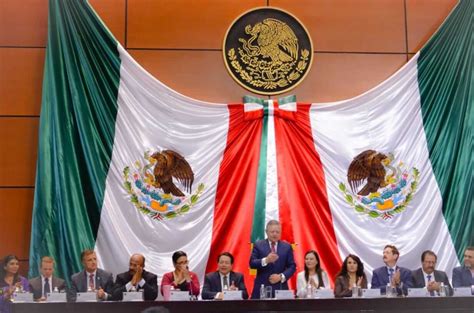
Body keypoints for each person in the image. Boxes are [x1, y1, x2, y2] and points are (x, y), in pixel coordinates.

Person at [249, 220, 296, 299]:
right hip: (262, 288)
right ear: (266, 232)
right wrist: (266, 260)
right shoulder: (258, 245)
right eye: (272, 232)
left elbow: (292, 266)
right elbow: (252, 263)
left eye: (277, 232)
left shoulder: (287, 247)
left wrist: (281, 276)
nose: (275, 234)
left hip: (280, 288)